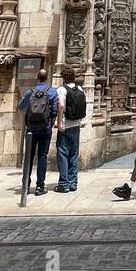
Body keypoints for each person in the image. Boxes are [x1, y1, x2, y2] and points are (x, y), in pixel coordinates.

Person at [17, 68, 58, 195]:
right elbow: (55, 111)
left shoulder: (31, 92)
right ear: (47, 78)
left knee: (28, 157)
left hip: (31, 129)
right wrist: (50, 121)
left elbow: (21, 107)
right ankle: (40, 186)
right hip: (45, 128)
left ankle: (26, 185)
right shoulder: (51, 91)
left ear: (37, 78)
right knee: (42, 156)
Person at [54, 65, 88, 193]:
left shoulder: (62, 90)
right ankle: (73, 182)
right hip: (76, 125)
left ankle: (64, 183)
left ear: (63, 77)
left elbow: (61, 105)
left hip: (65, 126)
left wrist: (58, 122)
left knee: (63, 153)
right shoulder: (79, 88)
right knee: (74, 154)